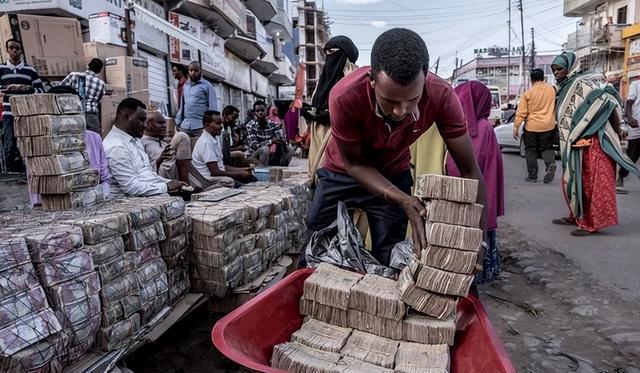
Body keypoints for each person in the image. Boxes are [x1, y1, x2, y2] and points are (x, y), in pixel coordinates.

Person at [306, 28, 488, 266]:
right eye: (390, 101)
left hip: (393, 171)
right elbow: (356, 164)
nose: (401, 112)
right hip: (342, 170)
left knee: (389, 254)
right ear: (371, 81)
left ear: (425, 77)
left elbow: (470, 172)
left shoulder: (441, 96)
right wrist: (403, 199)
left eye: (412, 100)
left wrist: (480, 241)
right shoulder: (344, 96)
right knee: (317, 243)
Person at [551, 51, 638, 236]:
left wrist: (617, 131)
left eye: (559, 69)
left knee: (592, 185)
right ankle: (576, 215)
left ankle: (590, 224)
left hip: (595, 145)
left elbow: (607, 104)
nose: (556, 72)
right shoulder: (565, 87)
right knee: (574, 179)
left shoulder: (584, 84)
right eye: (554, 69)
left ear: (570, 68)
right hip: (576, 144)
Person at [446, 81, 505, 284]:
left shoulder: (449, 126)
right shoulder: (485, 128)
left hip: (453, 196)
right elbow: (491, 169)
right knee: (478, 238)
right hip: (478, 194)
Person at [103, 98, 187, 198]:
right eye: (141, 120)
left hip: (144, 196)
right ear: (126, 117)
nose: (145, 125)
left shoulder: (134, 139)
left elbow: (146, 174)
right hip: (125, 202)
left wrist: (171, 183)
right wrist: (166, 186)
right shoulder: (116, 146)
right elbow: (130, 187)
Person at [305, 36, 359, 183]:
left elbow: (355, 108)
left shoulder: (354, 78)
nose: (330, 56)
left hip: (339, 132)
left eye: (333, 52)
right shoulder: (323, 80)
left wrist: (331, 115)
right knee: (318, 171)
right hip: (320, 130)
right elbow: (318, 102)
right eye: (327, 52)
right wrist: (312, 114)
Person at [0, 39, 44, 173]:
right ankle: (11, 174)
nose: (14, 51)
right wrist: (8, 88)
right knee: (9, 145)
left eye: (17, 48)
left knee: (28, 144)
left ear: (21, 51)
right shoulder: (1, 69)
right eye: (11, 48)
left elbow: (41, 91)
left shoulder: (30, 70)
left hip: (26, 113)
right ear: (7, 50)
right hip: (8, 112)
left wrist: (26, 88)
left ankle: (29, 172)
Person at [513, 68, 557, 183]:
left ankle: (532, 176)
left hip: (532, 126)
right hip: (548, 125)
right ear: (544, 78)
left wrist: (516, 127)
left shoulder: (528, 93)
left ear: (531, 80)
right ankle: (550, 164)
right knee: (546, 147)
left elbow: (521, 113)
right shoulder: (552, 90)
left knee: (531, 150)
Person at [192, 111, 254, 186]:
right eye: (218, 123)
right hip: (207, 178)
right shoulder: (206, 142)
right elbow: (215, 172)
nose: (221, 126)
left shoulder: (215, 139)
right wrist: (241, 174)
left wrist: (244, 170)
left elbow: (222, 167)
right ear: (207, 125)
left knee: (250, 178)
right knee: (232, 182)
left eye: (221, 123)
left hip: (216, 175)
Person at [141, 111, 194, 183]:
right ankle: (185, 182)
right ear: (147, 124)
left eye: (164, 123)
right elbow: (143, 169)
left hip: (172, 171)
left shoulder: (162, 143)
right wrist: (160, 159)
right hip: (158, 175)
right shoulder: (142, 143)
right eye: (160, 123)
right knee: (181, 136)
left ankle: (185, 183)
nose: (164, 126)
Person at [60, 58, 107, 134]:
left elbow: (60, 89)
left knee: (73, 138)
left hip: (74, 112)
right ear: (99, 71)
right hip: (91, 115)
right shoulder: (101, 83)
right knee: (93, 139)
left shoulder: (73, 75)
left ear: (89, 65)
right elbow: (99, 100)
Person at [175, 61, 217, 138]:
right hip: (185, 126)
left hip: (200, 127)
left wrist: (210, 124)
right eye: (191, 70)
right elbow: (182, 106)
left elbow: (213, 107)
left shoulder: (207, 86)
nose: (193, 73)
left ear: (200, 71)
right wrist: (178, 122)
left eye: (196, 70)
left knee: (200, 149)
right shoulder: (185, 86)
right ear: (188, 71)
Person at [246, 100, 292, 166]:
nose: (260, 113)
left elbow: (279, 139)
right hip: (255, 155)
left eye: (262, 110)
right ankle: (262, 171)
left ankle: (281, 169)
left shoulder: (273, 124)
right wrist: (271, 141)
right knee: (265, 149)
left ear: (266, 111)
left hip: (270, 153)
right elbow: (254, 145)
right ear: (254, 113)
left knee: (289, 149)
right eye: (257, 111)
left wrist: (282, 143)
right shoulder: (250, 125)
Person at [617, 78, 640, 194]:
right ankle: (620, 178)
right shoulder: (636, 84)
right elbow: (629, 103)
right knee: (632, 155)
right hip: (637, 126)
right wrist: (630, 118)